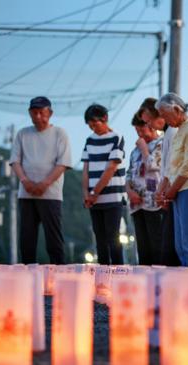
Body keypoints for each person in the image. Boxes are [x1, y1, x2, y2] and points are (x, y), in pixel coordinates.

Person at [9, 96, 72, 264]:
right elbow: (15, 161)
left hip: (51, 193)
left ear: (50, 113)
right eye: (34, 112)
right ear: (30, 113)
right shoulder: (22, 133)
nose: (38, 116)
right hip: (26, 193)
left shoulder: (60, 133)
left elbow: (63, 163)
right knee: (26, 239)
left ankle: (58, 274)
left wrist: (44, 184)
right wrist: (25, 181)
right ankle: (27, 275)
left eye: (41, 112)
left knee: (54, 239)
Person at [156, 93, 188, 268]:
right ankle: (186, 282)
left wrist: (170, 191)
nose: (164, 120)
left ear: (177, 110)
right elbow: (173, 168)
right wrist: (167, 189)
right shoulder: (180, 131)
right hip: (180, 190)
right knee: (180, 243)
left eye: (165, 115)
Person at [81, 104, 126, 265]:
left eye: (95, 123)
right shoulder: (90, 140)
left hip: (113, 197)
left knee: (113, 237)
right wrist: (86, 194)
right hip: (94, 200)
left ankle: (118, 274)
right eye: (90, 126)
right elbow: (85, 169)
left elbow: (111, 168)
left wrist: (94, 193)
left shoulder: (116, 137)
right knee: (99, 238)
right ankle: (102, 276)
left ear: (105, 118)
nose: (93, 128)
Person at [139, 97, 181, 266]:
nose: (148, 126)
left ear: (160, 115)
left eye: (148, 121)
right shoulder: (168, 133)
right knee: (166, 243)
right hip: (164, 193)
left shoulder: (172, 132)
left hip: (172, 192)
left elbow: (171, 166)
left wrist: (165, 191)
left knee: (172, 244)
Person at [126, 112, 163, 266]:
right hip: (136, 204)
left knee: (157, 245)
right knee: (142, 247)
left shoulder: (161, 144)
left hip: (154, 202)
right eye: (137, 131)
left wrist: (144, 149)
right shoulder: (134, 151)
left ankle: (160, 281)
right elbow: (128, 174)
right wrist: (129, 191)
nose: (140, 135)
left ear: (151, 126)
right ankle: (143, 280)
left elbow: (155, 166)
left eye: (142, 130)